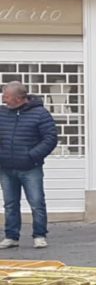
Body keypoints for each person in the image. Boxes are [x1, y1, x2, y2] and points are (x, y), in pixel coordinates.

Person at [0, 82, 59, 249]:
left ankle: (39, 235)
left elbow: (50, 139)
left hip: (30, 167)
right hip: (6, 167)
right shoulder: (2, 113)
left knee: (36, 202)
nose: (4, 100)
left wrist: (31, 156)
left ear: (19, 98)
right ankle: (11, 236)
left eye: (7, 97)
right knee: (10, 203)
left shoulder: (40, 114)